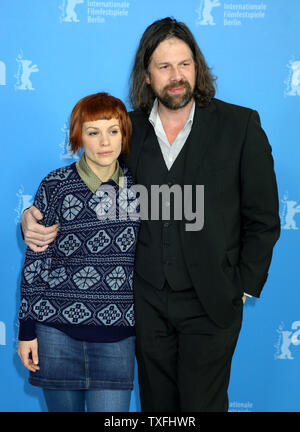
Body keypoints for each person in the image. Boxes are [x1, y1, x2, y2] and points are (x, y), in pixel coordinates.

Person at [21, 18, 280, 412]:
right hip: (145, 305)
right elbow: (86, 184)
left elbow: (263, 215)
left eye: (185, 64)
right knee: (157, 408)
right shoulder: (127, 130)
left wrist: (242, 285)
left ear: (198, 67)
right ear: (147, 75)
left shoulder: (240, 125)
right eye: (164, 67)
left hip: (212, 299)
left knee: (202, 406)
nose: (177, 76)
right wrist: (28, 216)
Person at [18, 92, 140, 412]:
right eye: (93, 131)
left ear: (124, 134)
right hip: (55, 333)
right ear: (78, 137)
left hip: (119, 336)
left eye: (113, 131)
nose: (104, 142)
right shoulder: (55, 185)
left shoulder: (141, 186)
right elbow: (36, 260)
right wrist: (27, 329)